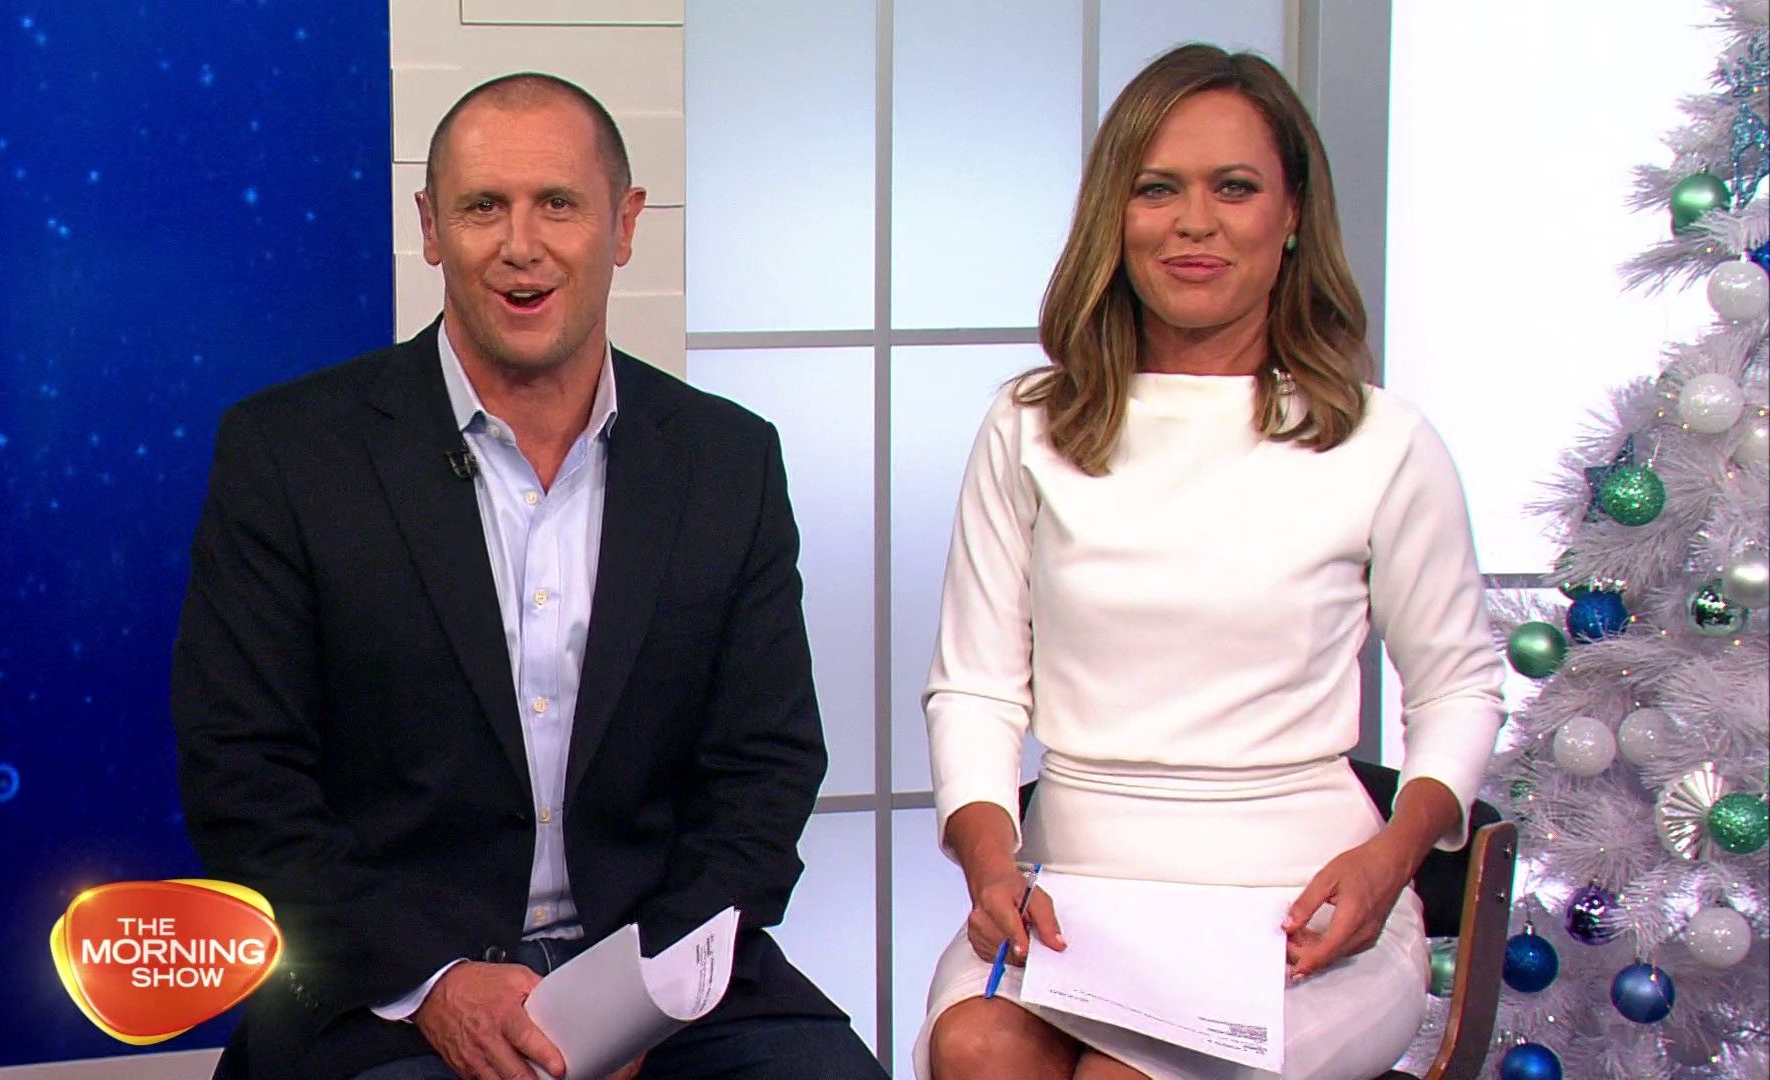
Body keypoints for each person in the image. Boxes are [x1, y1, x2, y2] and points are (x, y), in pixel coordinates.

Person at [171, 72, 887, 1080]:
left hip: (665, 971)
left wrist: (637, 999)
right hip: (392, 991)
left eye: (558, 203)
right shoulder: (289, 455)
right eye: (482, 207)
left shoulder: (728, 461)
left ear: (624, 225)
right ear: (431, 228)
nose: (521, 245)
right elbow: (243, 779)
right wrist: (435, 983)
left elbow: (765, 771)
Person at [916, 44, 1504, 1080]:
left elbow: (1458, 683)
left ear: (1292, 216)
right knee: (976, 1049)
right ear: (1116, 216)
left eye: (1234, 187)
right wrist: (989, 859)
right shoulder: (1029, 425)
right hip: (1073, 899)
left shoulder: (1380, 441)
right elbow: (975, 685)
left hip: (1299, 912)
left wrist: (1391, 858)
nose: (1195, 222)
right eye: (1158, 189)